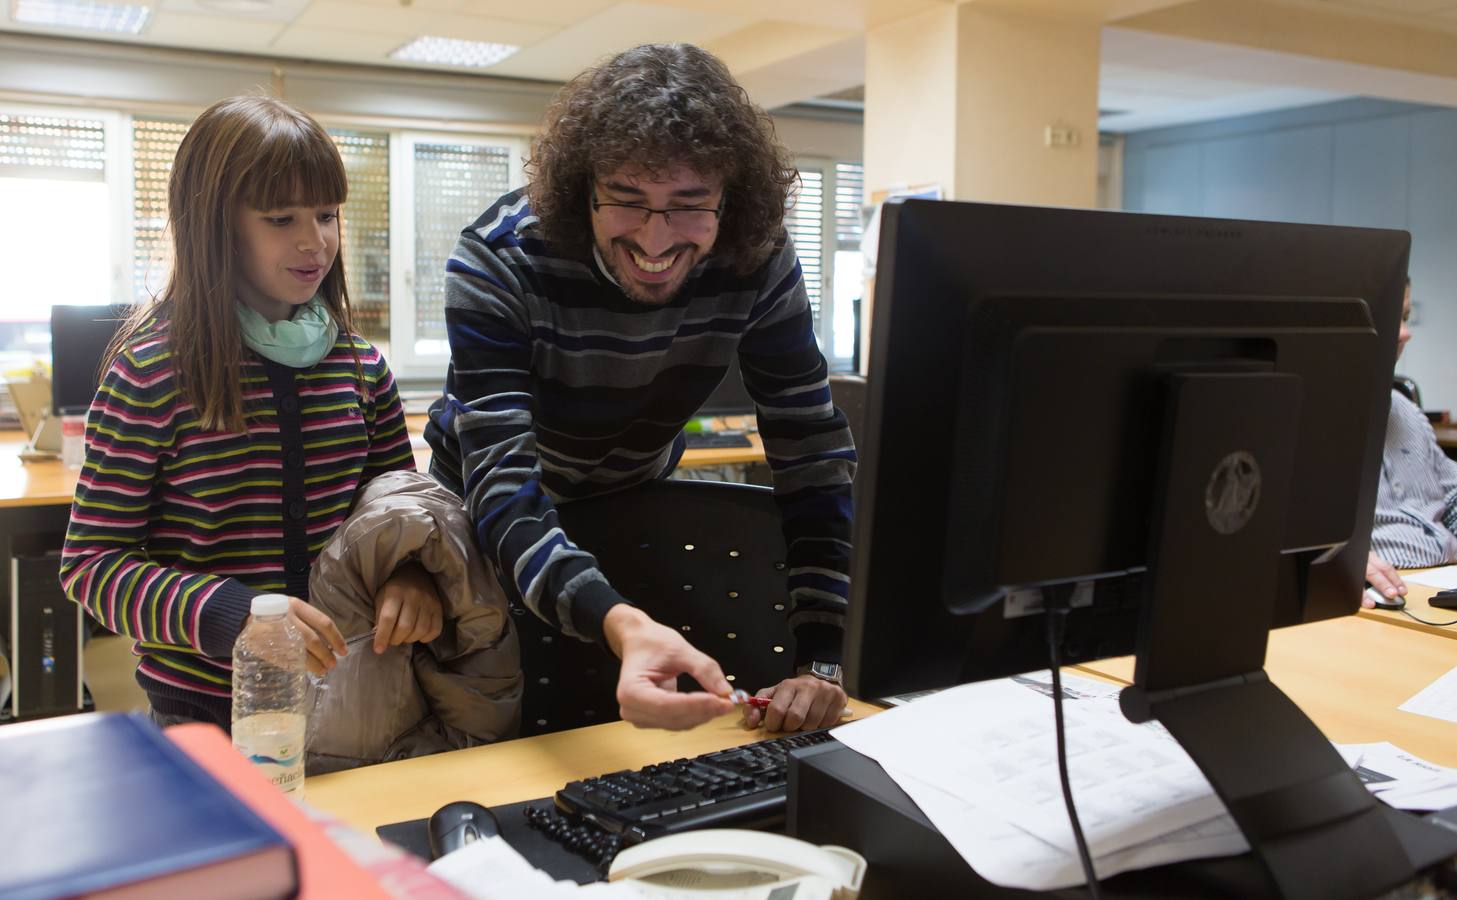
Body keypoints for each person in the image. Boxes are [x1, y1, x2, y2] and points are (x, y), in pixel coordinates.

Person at [424, 43, 857, 733]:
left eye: (689, 206)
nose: (656, 239)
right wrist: (618, 623)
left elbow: (809, 453)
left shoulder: (759, 254)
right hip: (486, 522)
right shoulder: (498, 261)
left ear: (730, 199)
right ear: (582, 191)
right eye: (627, 201)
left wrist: (822, 659)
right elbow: (505, 490)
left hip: (634, 495)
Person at [60, 95, 441, 731]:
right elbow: (93, 564)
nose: (314, 241)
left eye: (326, 214)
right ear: (216, 226)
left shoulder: (361, 369)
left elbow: (398, 522)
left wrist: (411, 580)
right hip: (205, 704)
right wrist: (232, 615)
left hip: (352, 695)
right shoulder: (152, 373)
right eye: (279, 218)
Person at [1364, 278, 1457, 606]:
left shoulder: (1404, 409)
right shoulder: (1295, 414)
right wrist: (1328, 562)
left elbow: (1452, 492)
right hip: (1385, 593)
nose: (1406, 333)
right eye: (1394, 317)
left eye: (1405, 317)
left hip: (1441, 583)